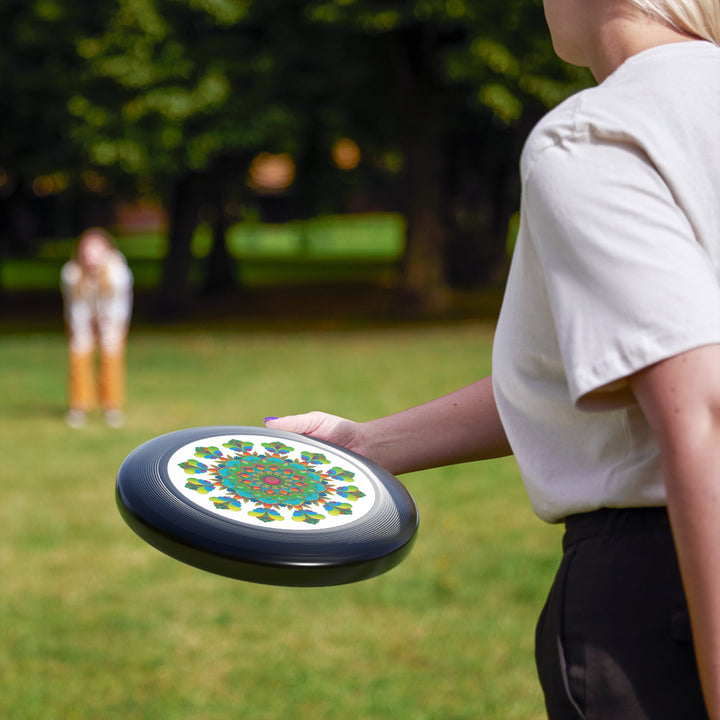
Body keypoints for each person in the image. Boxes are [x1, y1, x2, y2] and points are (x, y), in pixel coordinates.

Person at [264, 1, 720, 717]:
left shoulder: (600, 134)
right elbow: (612, 369)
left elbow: (701, 408)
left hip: (669, 595)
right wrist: (368, 444)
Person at [60, 227, 133, 428]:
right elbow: (76, 306)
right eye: (87, 251)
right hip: (82, 319)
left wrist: (106, 326)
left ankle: (112, 406)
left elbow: (118, 306)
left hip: (112, 319)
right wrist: (84, 328)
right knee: (79, 354)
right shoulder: (71, 273)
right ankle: (79, 406)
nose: (91, 257)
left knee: (111, 357)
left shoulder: (118, 273)